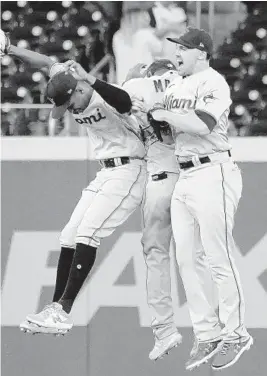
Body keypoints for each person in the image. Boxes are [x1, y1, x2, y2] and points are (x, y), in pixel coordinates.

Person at [1, 32, 147, 335]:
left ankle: (63, 309)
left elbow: (126, 101)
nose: (68, 109)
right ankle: (54, 310)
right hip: (106, 172)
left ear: (80, 89)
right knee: (69, 235)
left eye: (68, 103)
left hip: (130, 169)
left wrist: (100, 82)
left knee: (89, 232)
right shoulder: (68, 82)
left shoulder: (104, 95)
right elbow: (46, 62)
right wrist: (11, 49)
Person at [148, 27, 253, 370]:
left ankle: (236, 332)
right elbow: (167, 126)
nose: (177, 52)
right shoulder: (176, 85)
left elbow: (203, 125)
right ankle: (207, 331)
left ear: (201, 53)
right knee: (186, 260)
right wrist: (154, 117)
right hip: (185, 173)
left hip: (214, 171)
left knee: (217, 255)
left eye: (184, 48)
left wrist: (166, 115)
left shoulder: (213, 82)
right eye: (176, 47)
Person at [123, 60, 219, 361]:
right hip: (192, 176)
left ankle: (164, 329)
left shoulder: (139, 87)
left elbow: (121, 96)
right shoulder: (188, 88)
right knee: (197, 256)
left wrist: (131, 79)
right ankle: (211, 328)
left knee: (156, 253)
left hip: (162, 178)